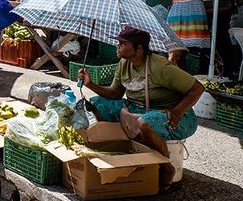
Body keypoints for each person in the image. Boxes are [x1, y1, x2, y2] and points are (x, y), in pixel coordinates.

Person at [79, 27, 204, 190]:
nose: (118, 46)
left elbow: (198, 88)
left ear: (139, 48)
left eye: (122, 43)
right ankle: (123, 148)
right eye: (118, 43)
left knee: (144, 123)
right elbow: (116, 93)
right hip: (137, 109)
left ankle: (166, 166)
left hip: (174, 115)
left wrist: (177, 112)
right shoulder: (123, 64)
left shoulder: (160, 66)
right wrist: (90, 84)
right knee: (97, 104)